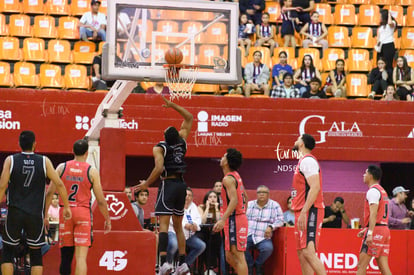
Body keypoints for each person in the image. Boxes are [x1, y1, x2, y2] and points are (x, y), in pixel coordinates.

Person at [134, 96, 193, 275]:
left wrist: (146, 184)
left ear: (165, 137)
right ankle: (182, 264)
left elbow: (159, 168)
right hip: (182, 185)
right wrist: (172, 105)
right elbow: (189, 117)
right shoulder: (182, 140)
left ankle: (164, 263)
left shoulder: (159, 147)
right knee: (179, 225)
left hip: (168, 185)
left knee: (164, 227)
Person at [0, 130, 72, 275]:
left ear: (19, 144)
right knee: (35, 254)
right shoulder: (44, 161)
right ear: (34, 144)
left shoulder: (10, 160)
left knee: (8, 251)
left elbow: (2, 186)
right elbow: (59, 184)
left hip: (15, 212)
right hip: (35, 215)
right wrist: (67, 206)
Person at [45, 139, 111, 275]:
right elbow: (101, 201)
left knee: (65, 257)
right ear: (87, 153)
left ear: (73, 151)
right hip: (83, 213)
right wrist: (107, 219)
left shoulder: (61, 167)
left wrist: (45, 215)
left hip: (66, 212)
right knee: (81, 258)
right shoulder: (92, 171)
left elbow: (49, 193)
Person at [291, 134, 326, 275]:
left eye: (298, 138)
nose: (295, 140)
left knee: (308, 251)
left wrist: (305, 212)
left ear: (302, 144)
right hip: (301, 210)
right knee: (302, 254)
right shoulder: (302, 161)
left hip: (310, 210)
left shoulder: (308, 161)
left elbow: (315, 187)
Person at [213, 148, 248, 275]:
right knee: (228, 256)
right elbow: (245, 197)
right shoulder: (236, 176)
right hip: (236, 218)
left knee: (238, 256)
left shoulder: (228, 179)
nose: (221, 157)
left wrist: (223, 219)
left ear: (227, 161)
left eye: (224, 156)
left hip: (234, 219)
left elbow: (234, 200)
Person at [356, 165, 391, 275]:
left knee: (361, 266)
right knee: (383, 267)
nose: (363, 175)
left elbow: (374, 213)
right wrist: (366, 229)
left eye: (365, 173)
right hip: (384, 230)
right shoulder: (382, 191)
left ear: (370, 176)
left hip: (376, 230)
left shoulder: (373, 191)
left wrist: (370, 232)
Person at [245, 185, 284, 275]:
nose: (261, 194)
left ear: (268, 194)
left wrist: (271, 227)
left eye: (264, 192)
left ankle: (258, 264)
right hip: (248, 234)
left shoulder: (274, 205)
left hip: (263, 236)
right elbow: (243, 218)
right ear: (257, 194)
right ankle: (250, 265)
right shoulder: (250, 204)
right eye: (259, 192)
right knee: (240, 247)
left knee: (268, 248)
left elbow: (281, 220)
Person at [167, 188, 206, 271]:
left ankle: (183, 266)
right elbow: (171, 219)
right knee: (174, 244)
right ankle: (168, 265)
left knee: (201, 246)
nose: (187, 197)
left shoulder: (193, 206)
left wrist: (196, 226)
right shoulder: (175, 204)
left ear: (192, 198)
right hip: (174, 232)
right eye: (185, 195)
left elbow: (197, 219)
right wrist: (185, 225)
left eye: (189, 195)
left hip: (188, 236)